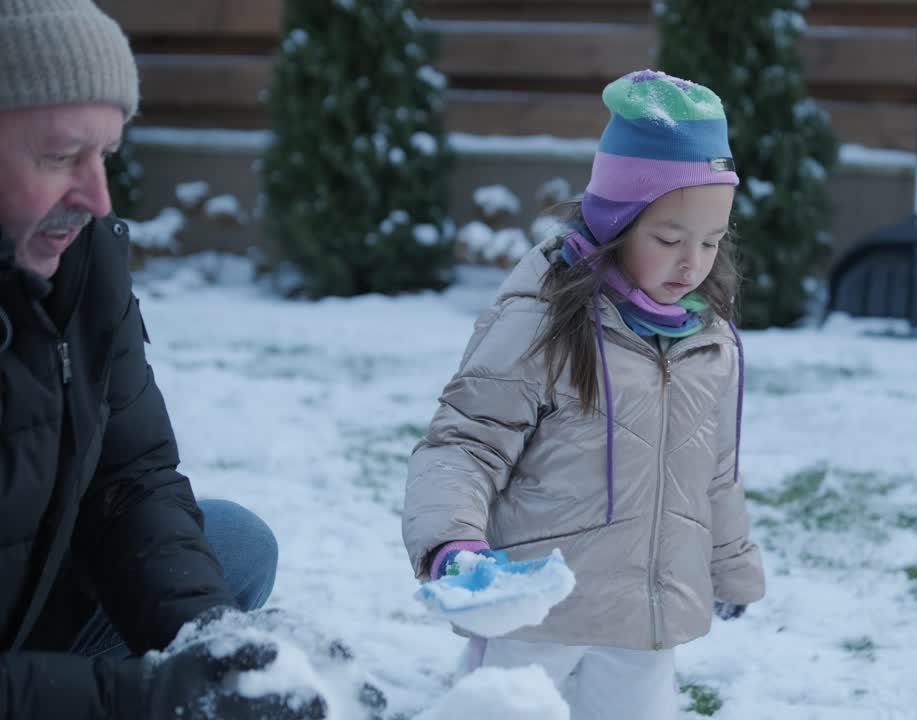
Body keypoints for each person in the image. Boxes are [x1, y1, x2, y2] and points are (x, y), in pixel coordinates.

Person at [0, 1, 372, 717]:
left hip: (28, 616)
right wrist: (144, 700)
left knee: (230, 546)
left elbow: (131, 476)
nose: (97, 196)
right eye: (59, 156)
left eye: (103, 154)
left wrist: (215, 641)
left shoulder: (81, 265)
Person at [403, 69, 766, 719]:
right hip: (535, 618)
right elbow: (465, 443)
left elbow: (715, 472)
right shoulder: (543, 320)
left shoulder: (708, 342)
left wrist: (731, 567)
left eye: (712, 242)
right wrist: (451, 545)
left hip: (643, 624)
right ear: (617, 222)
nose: (693, 264)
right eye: (669, 239)